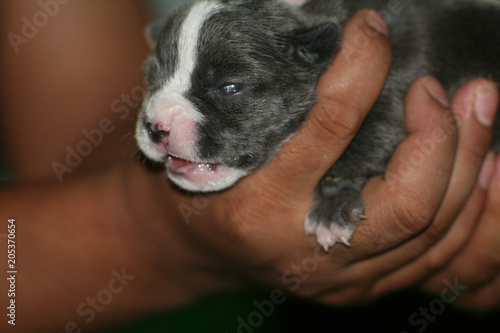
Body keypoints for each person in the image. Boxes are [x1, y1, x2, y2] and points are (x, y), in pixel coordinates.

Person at [0, 1, 499, 331]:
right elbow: (62, 153)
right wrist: (154, 229)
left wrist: (341, 181)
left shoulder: (394, 48)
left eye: (229, 88)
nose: (157, 119)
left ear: (311, 56)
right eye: (157, 80)